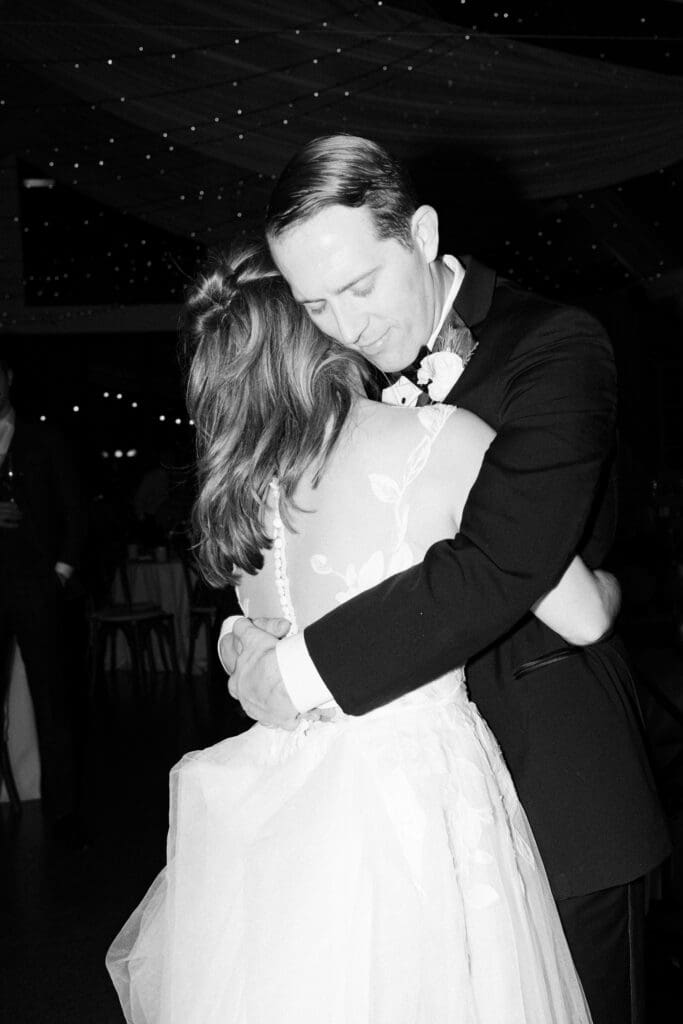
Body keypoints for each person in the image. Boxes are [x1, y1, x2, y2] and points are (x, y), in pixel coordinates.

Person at [106, 241, 623, 1022]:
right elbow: (581, 614)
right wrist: (619, 583)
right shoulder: (439, 440)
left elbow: (255, 633)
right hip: (417, 790)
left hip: (289, 801)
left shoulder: (246, 489)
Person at [219, 135, 671, 1024]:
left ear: (421, 233)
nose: (345, 328)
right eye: (315, 304)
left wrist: (300, 670)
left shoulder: (553, 344)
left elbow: (502, 560)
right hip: (397, 822)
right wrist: (239, 633)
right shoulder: (331, 373)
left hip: (552, 793)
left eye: (359, 287)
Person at [0, 352, 87, 840]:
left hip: (36, 584)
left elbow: (75, 509)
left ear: (9, 377)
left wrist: (60, 571)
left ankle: (64, 812)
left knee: (53, 699)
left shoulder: (43, 437)